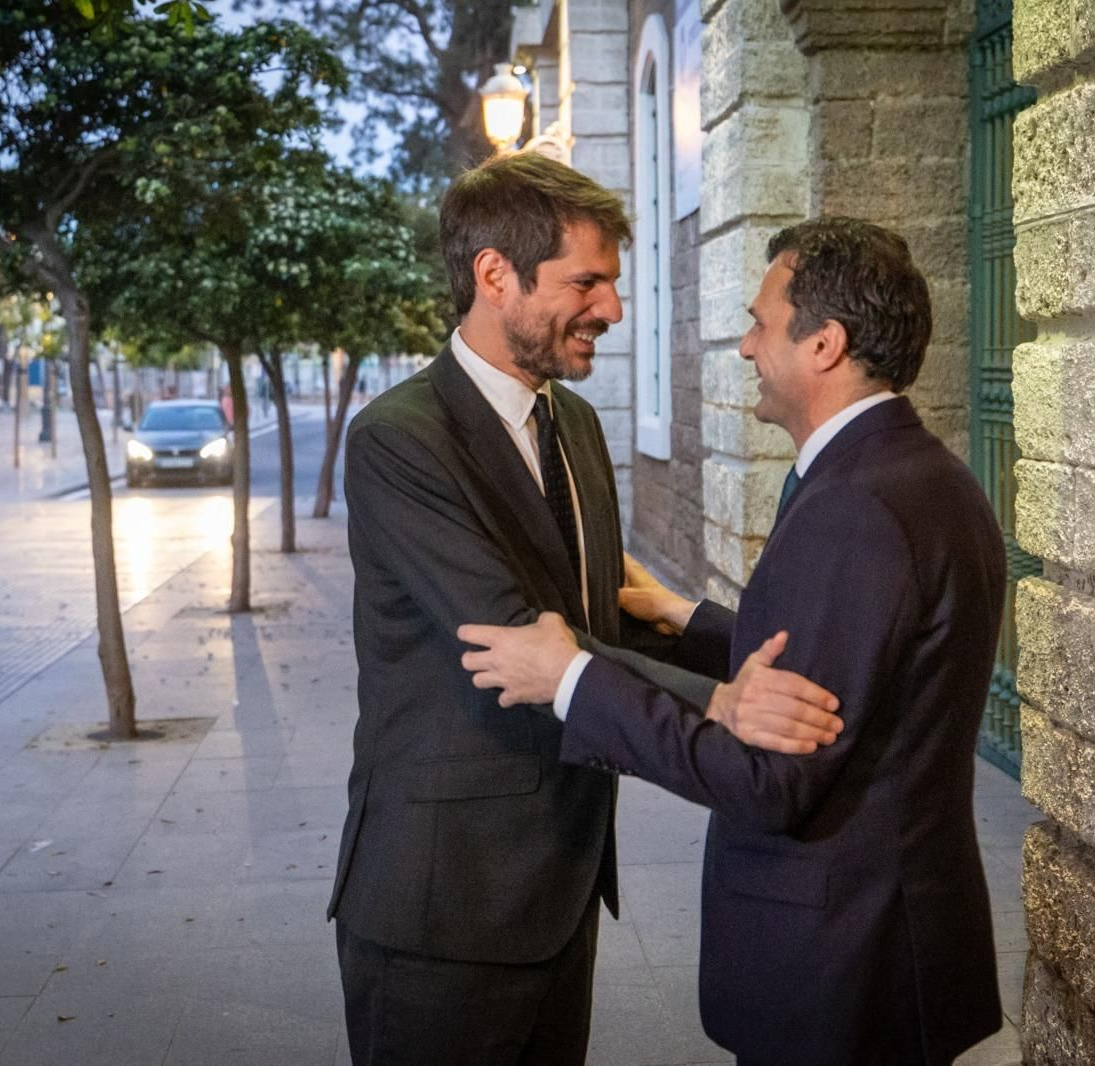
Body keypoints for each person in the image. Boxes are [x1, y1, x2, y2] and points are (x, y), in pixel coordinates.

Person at [329, 153, 841, 1066]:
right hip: (444, 900)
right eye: (587, 281)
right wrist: (719, 708)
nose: (611, 307)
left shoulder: (575, 425)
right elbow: (517, 644)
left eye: (612, 281)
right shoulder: (398, 441)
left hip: (560, 887)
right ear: (494, 275)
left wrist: (726, 651)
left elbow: (596, 624)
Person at [460, 217, 1008, 1065]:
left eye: (761, 323)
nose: (747, 346)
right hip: (887, 938)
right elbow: (840, 672)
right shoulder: (919, 474)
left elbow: (769, 776)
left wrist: (570, 680)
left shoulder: (854, 511)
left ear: (824, 344)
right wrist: (687, 619)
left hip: (843, 962)